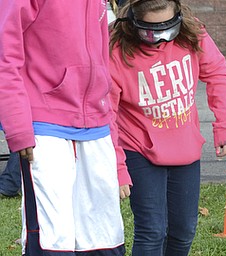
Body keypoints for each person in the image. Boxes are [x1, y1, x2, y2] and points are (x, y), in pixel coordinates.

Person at [0, 1, 131, 255]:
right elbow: (5, 56)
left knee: (104, 238)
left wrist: (115, 153)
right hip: (45, 125)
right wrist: (18, 126)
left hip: (97, 125)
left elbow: (103, 65)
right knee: (53, 241)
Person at [109, 0, 226, 255]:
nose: (160, 38)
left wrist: (224, 125)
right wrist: (117, 166)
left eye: (168, 28)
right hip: (139, 149)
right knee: (152, 231)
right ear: (133, 22)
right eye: (150, 30)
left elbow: (218, 74)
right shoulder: (114, 48)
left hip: (184, 147)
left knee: (183, 231)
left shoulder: (192, 33)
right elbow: (106, 113)